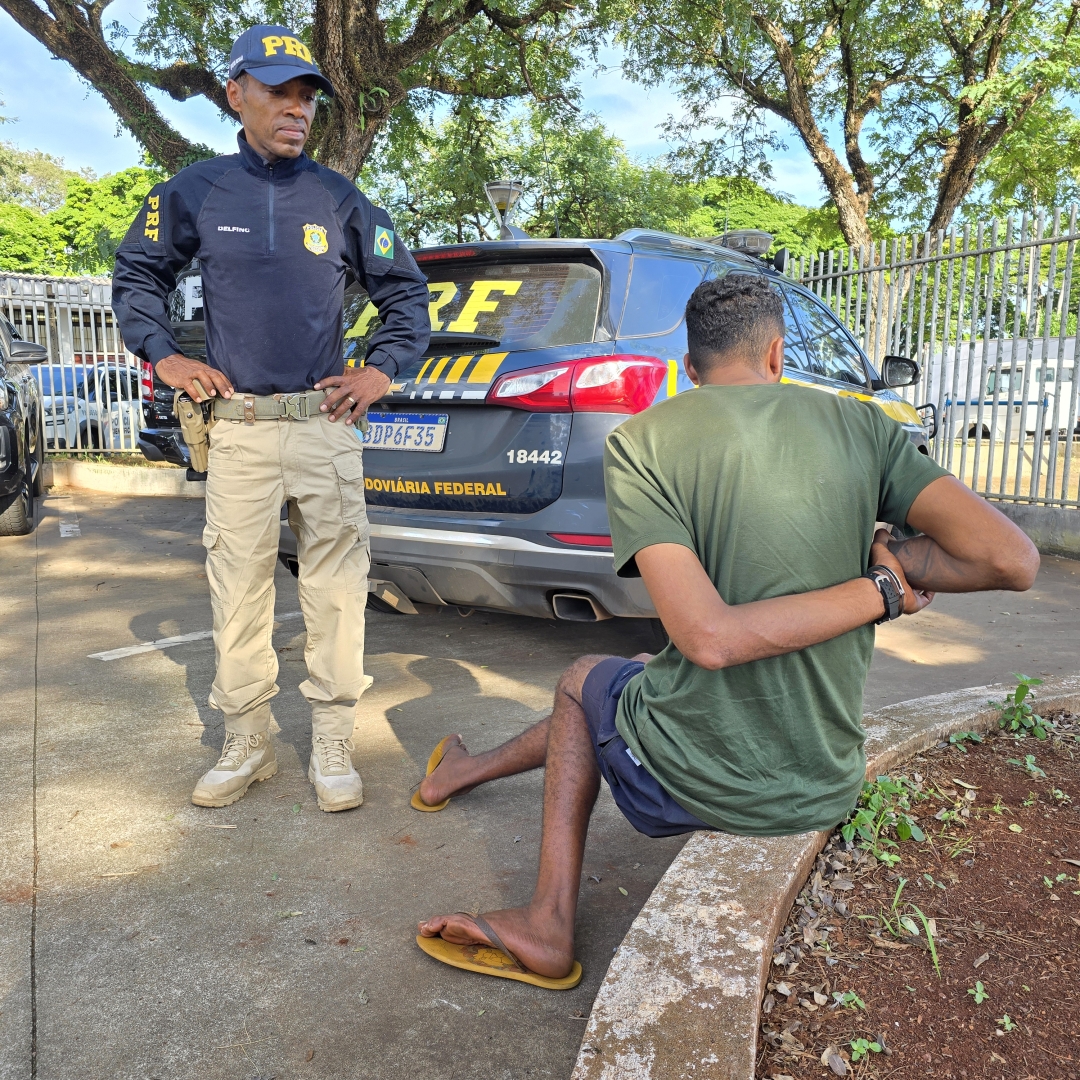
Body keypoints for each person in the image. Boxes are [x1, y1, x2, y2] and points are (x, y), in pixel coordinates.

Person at [412, 275, 1039, 986]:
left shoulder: (643, 442)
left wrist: (880, 587)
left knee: (584, 679)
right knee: (646, 668)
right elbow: (1011, 559)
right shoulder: (864, 426)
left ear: (689, 369)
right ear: (776, 356)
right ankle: (463, 771)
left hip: (708, 784)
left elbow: (710, 640)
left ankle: (548, 921)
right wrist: (886, 583)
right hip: (825, 779)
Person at [112, 25, 430, 812]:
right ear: (236, 94)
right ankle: (247, 740)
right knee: (240, 590)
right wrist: (165, 358)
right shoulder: (195, 191)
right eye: (279, 91)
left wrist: (380, 369)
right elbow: (136, 277)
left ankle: (331, 741)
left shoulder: (339, 198)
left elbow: (407, 295)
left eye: (307, 96)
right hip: (241, 430)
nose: (297, 109)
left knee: (335, 588)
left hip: (323, 427)